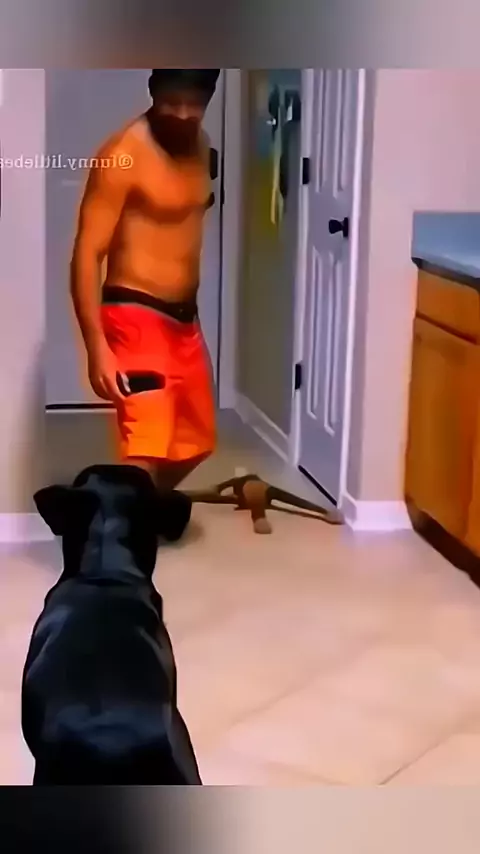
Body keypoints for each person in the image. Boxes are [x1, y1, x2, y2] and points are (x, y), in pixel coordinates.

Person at [70, 69, 220, 492]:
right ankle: (121, 526)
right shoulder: (122, 155)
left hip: (184, 323)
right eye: (172, 102)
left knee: (195, 444)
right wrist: (97, 347)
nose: (183, 114)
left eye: (195, 104)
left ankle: (118, 507)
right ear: (153, 91)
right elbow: (87, 254)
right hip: (134, 315)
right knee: (147, 444)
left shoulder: (201, 144)